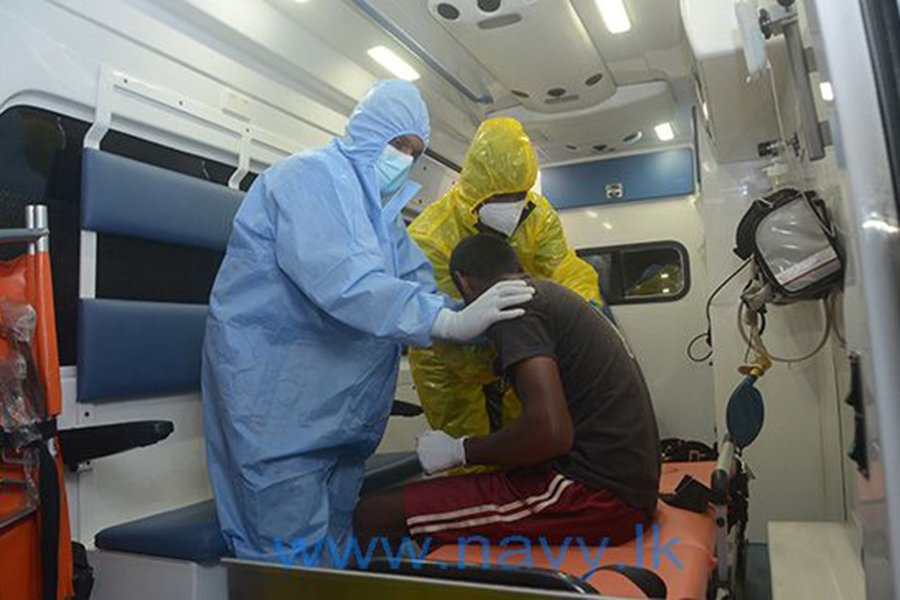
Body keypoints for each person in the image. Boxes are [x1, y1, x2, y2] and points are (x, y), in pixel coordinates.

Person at [202, 81, 534, 565]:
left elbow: (416, 282)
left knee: (332, 558)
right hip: (279, 412)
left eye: (415, 151)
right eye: (398, 143)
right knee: (283, 567)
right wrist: (446, 321)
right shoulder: (306, 179)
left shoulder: (383, 217)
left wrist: (480, 324)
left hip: (339, 424)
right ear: (368, 131)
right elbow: (346, 282)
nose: (404, 158)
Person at [355, 233, 660, 549]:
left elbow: (550, 433)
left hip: (596, 499)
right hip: (623, 487)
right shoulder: (550, 295)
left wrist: (458, 450)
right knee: (439, 505)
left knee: (372, 513)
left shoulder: (514, 309)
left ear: (464, 283)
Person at [408, 117, 609, 447]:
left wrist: (584, 308)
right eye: (500, 198)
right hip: (445, 361)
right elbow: (435, 315)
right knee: (467, 448)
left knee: (526, 441)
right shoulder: (431, 235)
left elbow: (563, 267)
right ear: (476, 188)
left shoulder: (537, 214)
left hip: (518, 341)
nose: (512, 207)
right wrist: (489, 336)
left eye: (518, 194)